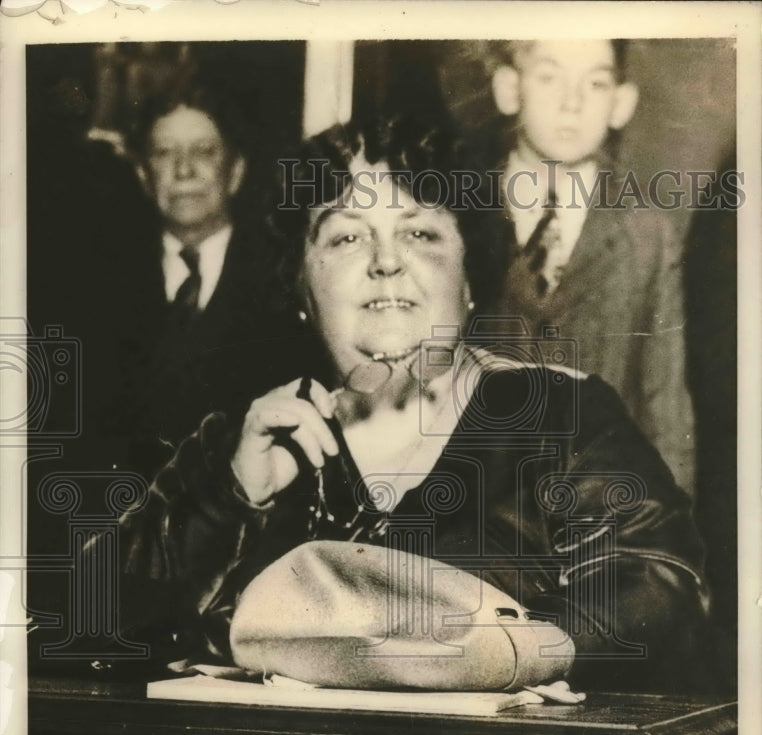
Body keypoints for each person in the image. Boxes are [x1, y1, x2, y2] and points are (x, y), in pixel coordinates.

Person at [111, 115, 710, 694]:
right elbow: (86, 620)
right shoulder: (247, 442)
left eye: (419, 233)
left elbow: (663, 591)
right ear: (301, 287)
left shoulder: (560, 414)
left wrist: (513, 653)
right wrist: (228, 499)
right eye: (347, 236)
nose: (385, 260)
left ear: (469, 275)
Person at [484, 39, 696, 496]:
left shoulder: (647, 235)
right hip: (473, 509)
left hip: (603, 517)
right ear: (509, 88)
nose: (572, 102)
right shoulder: (455, 215)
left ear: (621, 103)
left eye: (596, 83)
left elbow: (665, 409)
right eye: (549, 77)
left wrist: (673, 528)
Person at [121, 77, 298, 456]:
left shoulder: (285, 281)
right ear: (143, 175)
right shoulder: (102, 283)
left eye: (204, 151)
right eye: (164, 152)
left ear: (235, 171)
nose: (184, 170)